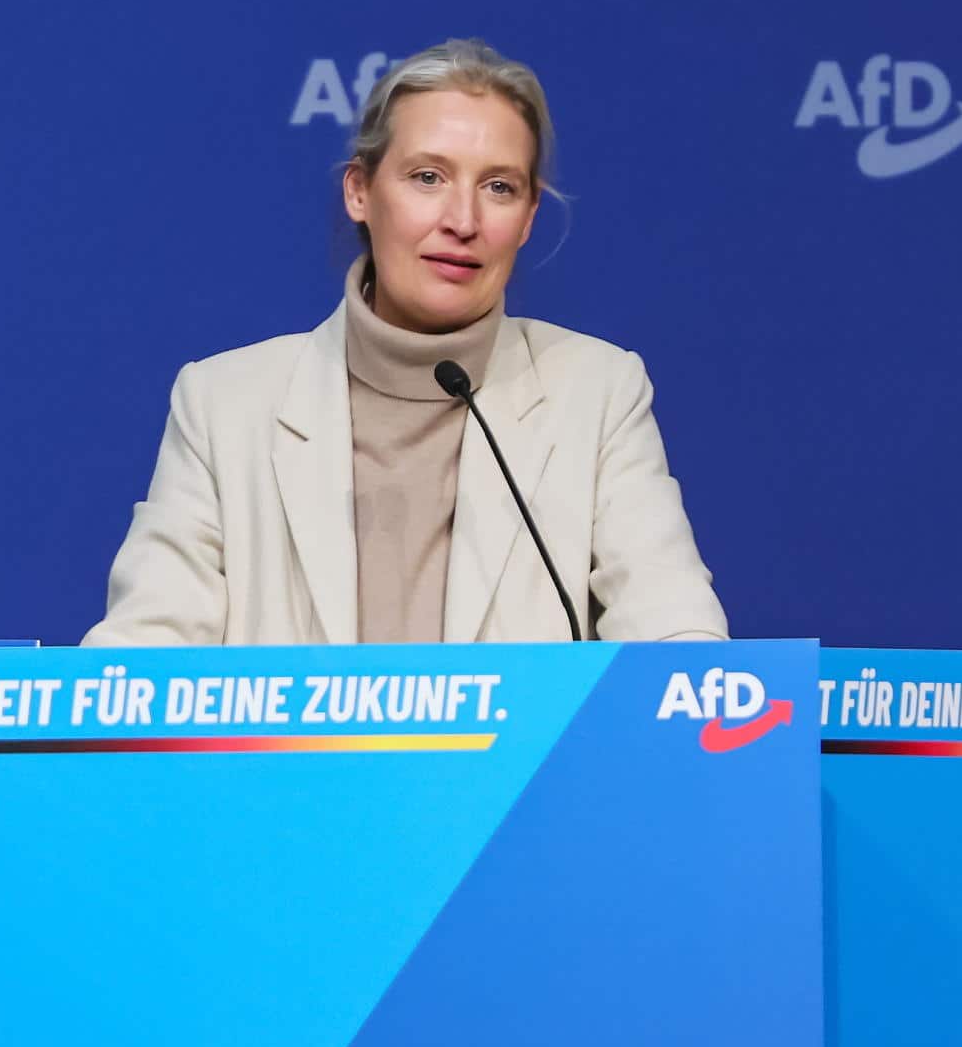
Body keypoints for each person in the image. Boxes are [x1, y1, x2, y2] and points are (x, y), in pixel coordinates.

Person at [84, 38, 729, 645]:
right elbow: (144, 664)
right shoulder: (225, 404)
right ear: (360, 192)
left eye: (499, 187)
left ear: (529, 218)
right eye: (428, 177)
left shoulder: (597, 392)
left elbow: (678, 643)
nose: (463, 220)